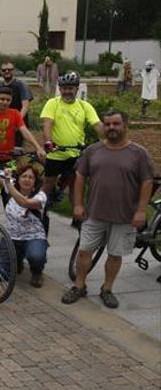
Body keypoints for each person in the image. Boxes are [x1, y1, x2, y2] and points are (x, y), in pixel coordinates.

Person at [63, 110, 155, 308]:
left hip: (124, 216)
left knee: (115, 254)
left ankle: (107, 288)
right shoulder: (92, 151)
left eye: (116, 124)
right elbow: (80, 176)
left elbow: (147, 182)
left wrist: (141, 211)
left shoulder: (139, 154)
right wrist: (78, 204)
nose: (111, 128)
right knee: (84, 251)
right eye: (108, 124)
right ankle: (79, 286)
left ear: (125, 126)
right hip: (94, 212)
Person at [39, 71, 102, 206]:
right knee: (48, 185)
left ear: (77, 89)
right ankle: (38, 211)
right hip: (56, 153)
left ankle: (78, 216)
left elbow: (97, 125)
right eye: (64, 88)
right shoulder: (53, 103)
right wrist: (48, 141)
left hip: (76, 154)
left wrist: (109, 141)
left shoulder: (85, 106)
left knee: (76, 186)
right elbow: (47, 124)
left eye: (71, 88)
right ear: (60, 89)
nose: (67, 91)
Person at [0, 163, 48, 288]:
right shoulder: (9, 190)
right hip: (11, 237)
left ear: (35, 181)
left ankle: (37, 271)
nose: (27, 180)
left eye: (31, 177)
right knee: (2, 274)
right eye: (24, 176)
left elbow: (24, 202)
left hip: (33, 237)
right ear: (18, 179)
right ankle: (17, 261)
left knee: (35, 256)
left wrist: (9, 184)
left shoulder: (40, 197)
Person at [0, 86, 45, 167]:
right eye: (2, 99)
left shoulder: (15, 113)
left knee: (13, 178)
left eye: (8, 100)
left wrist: (38, 147)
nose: (5, 102)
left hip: (9, 158)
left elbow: (24, 131)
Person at [0, 61, 32, 131]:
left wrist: (17, 122)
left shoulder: (21, 85)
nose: (6, 71)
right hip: (1, 124)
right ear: (1, 72)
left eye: (9, 69)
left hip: (17, 127)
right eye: (4, 70)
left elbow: (25, 106)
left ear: (14, 71)